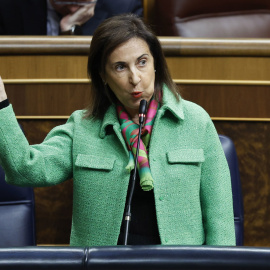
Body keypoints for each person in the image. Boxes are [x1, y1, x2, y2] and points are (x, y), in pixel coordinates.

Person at [0, 14, 236, 246]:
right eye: (120, 67)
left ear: (156, 64)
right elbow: (24, 169)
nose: (135, 78)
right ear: (103, 75)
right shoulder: (83, 128)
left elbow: (221, 223)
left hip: (179, 265)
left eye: (142, 62)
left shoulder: (195, 122)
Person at [0, 0, 143, 35]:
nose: (74, 8)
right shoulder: (9, 7)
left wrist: (70, 30)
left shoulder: (124, 8)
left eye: (81, 1)